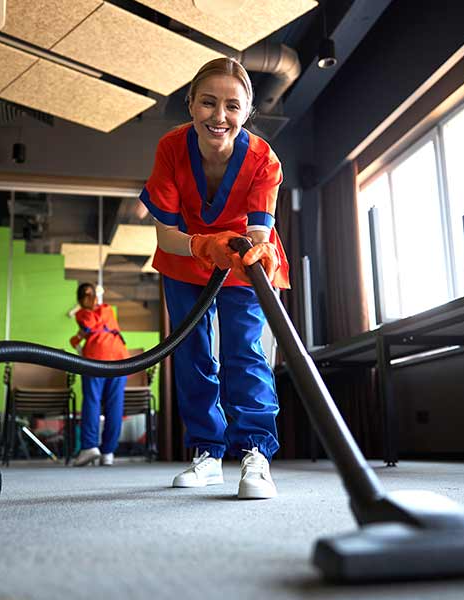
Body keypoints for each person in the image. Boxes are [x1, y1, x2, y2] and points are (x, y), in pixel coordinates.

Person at [139, 57, 290, 499]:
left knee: (244, 351)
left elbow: (259, 229)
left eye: (232, 106)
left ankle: (255, 453)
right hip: (187, 257)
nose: (219, 116)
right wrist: (203, 246)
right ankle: (207, 452)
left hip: (245, 260)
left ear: (247, 112)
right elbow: (167, 236)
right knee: (192, 353)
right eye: (208, 102)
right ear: (190, 104)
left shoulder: (263, 159)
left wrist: (250, 249)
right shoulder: (170, 148)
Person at [70, 283, 129, 467]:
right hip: (120, 357)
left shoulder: (81, 314)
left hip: (95, 358)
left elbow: (88, 326)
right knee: (114, 403)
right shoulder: (107, 310)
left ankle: (89, 447)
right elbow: (96, 324)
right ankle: (108, 452)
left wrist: (76, 339)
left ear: (80, 300)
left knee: (92, 401)